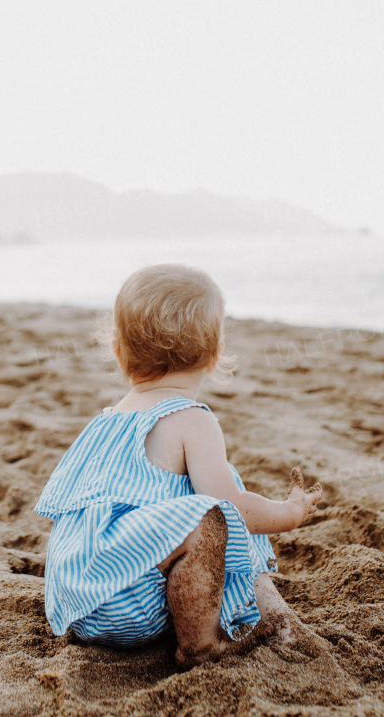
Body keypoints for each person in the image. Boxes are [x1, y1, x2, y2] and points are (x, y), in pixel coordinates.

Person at [34, 263, 328, 668]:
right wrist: (289, 512)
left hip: (77, 600)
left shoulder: (107, 420)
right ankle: (200, 648)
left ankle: (276, 619)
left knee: (210, 510)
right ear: (215, 355)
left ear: (119, 353)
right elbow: (235, 510)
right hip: (128, 602)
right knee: (214, 515)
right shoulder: (193, 418)